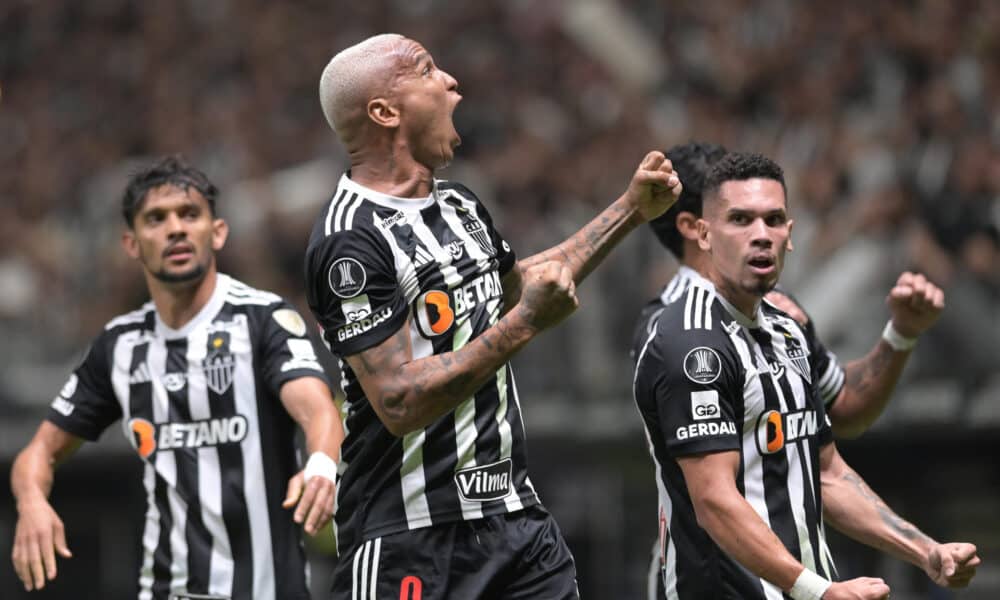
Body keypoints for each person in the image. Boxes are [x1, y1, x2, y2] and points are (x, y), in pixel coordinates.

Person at [306, 34, 682, 599]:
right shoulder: (349, 242)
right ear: (385, 112)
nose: (451, 81)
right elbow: (398, 400)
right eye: (427, 69)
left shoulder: (459, 204)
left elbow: (512, 292)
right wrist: (527, 323)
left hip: (515, 522)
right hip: (409, 536)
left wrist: (629, 210)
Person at [632, 152, 980, 599]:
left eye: (773, 220)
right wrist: (820, 591)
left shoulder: (786, 328)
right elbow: (715, 501)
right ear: (703, 233)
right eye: (740, 220)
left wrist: (925, 550)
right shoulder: (689, 341)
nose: (760, 235)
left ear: (789, 235)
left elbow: (828, 472)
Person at [10, 156, 344, 600]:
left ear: (217, 232)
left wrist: (320, 466)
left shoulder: (263, 319)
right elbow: (37, 454)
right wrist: (32, 503)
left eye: (190, 215)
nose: (176, 229)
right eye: (156, 219)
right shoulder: (119, 346)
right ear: (132, 243)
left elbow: (319, 410)